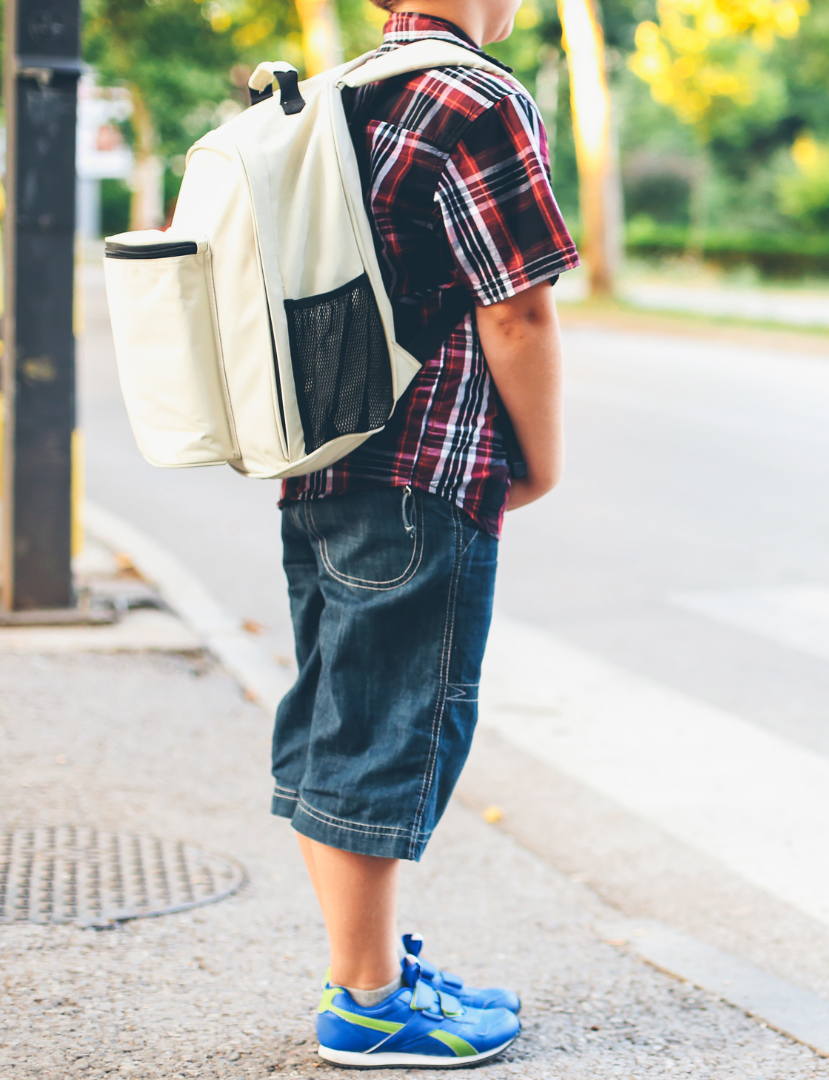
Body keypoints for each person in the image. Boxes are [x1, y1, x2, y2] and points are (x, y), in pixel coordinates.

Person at [267, 0, 578, 1066]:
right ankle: (364, 1002)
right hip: (425, 468)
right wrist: (537, 458)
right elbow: (516, 312)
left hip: (319, 463)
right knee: (390, 731)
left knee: (339, 719)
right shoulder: (477, 96)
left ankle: (374, 972)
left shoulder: (336, 94)